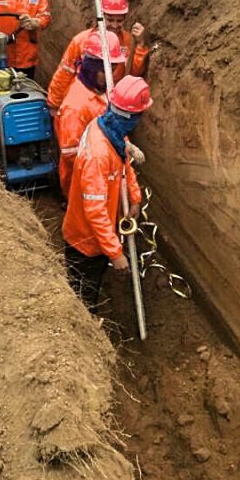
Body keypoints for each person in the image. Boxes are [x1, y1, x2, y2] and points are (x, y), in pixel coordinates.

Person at [62, 75, 152, 309]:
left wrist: (134, 196)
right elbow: (95, 211)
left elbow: (124, 163)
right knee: (82, 293)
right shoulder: (99, 155)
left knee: (94, 280)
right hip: (84, 240)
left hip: (99, 234)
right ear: (132, 116)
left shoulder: (111, 128)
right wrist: (115, 253)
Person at [46, 0, 150, 113]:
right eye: (110, 20)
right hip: (84, 102)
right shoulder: (82, 41)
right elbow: (64, 74)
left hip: (111, 102)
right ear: (100, 16)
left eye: (119, 21)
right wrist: (54, 105)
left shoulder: (127, 41)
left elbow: (133, 74)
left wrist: (140, 45)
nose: (115, 25)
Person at [56, 29, 126, 197]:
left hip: (107, 173)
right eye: (106, 70)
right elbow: (71, 154)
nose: (111, 76)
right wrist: (103, 163)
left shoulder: (102, 89)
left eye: (114, 68)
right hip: (85, 183)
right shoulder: (75, 107)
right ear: (92, 68)